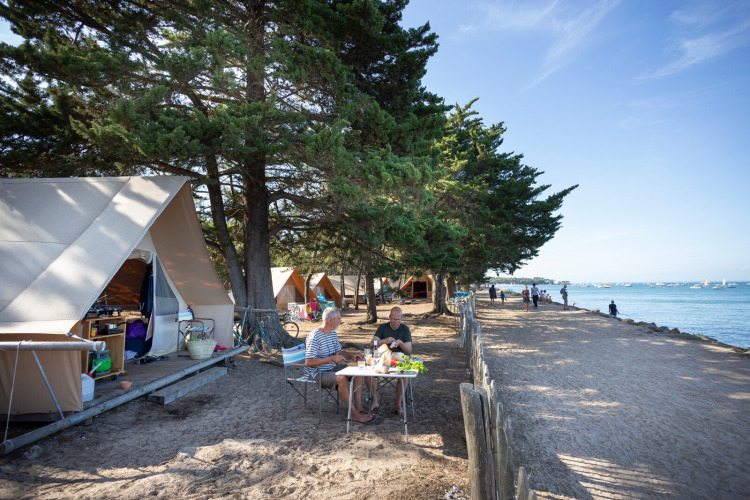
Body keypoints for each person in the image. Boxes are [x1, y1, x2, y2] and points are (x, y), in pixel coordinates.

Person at [305, 307, 375, 424]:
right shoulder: (315, 336)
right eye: (339, 318)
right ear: (330, 320)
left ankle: (358, 406)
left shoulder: (332, 334)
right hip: (316, 373)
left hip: (330, 369)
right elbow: (309, 362)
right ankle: (354, 414)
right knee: (341, 378)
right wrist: (331, 359)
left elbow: (339, 352)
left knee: (358, 370)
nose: (340, 321)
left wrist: (351, 355)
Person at [368, 307, 412, 416]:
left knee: (405, 376)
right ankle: (374, 400)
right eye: (393, 319)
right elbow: (371, 344)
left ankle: (398, 405)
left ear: (401, 318)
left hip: (399, 360)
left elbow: (409, 350)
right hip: (382, 360)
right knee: (368, 375)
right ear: (389, 317)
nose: (396, 322)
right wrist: (383, 341)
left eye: (398, 319)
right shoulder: (383, 327)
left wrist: (401, 343)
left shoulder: (405, 329)